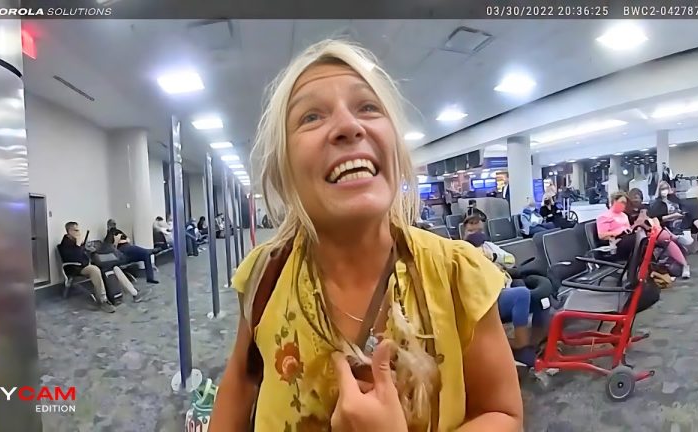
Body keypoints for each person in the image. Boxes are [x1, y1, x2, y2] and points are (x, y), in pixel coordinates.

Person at [209, 40, 522, 432]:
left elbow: (503, 414)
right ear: (284, 171)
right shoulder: (264, 274)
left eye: (368, 107)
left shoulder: (458, 274)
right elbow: (240, 383)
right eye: (310, 116)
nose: (347, 126)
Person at [461, 216, 546, 367]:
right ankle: (520, 344)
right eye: (471, 231)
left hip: (504, 288)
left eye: (479, 230)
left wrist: (494, 257)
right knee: (521, 294)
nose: (476, 234)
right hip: (485, 297)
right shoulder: (459, 250)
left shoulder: (489, 246)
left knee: (543, 300)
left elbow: (511, 260)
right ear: (463, 233)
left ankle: (537, 343)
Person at [598, 191, 691, 278]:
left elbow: (629, 228)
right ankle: (671, 238)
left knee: (653, 240)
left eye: (625, 203)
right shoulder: (604, 217)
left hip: (629, 237)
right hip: (618, 242)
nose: (623, 205)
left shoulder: (623, 215)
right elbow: (602, 235)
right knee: (646, 240)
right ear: (614, 201)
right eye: (621, 202)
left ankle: (675, 263)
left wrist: (631, 229)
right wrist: (619, 232)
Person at [58, 222, 145, 311]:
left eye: (78, 230)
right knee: (94, 269)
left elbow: (84, 256)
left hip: (85, 264)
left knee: (114, 267)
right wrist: (78, 246)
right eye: (76, 230)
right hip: (75, 268)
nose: (79, 232)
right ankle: (103, 301)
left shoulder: (77, 242)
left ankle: (134, 293)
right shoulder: (64, 244)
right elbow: (75, 259)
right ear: (69, 231)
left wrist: (85, 248)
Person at [104, 219, 159, 284]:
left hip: (127, 249)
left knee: (146, 255)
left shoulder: (118, 231)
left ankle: (150, 278)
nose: (114, 226)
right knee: (143, 251)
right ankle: (149, 251)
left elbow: (127, 239)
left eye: (114, 224)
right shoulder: (110, 233)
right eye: (112, 224)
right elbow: (111, 246)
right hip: (123, 249)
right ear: (108, 226)